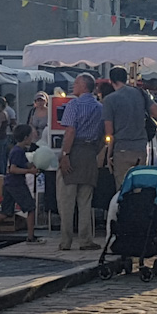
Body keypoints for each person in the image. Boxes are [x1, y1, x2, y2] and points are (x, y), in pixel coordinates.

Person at [57, 73, 103, 251]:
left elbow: (70, 131)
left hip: (74, 150)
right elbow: (101, 135)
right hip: (90, 153)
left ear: (84, 86)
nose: (73, 86)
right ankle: (85, 239)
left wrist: (65, 154)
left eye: (76, 83)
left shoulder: (74, 104)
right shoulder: (100, 107)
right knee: (85, 200)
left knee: (66, 199)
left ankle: (66, 240)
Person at [102, 67, 157, 185]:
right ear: (125, 79)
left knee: (123, 189)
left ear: (111, 81)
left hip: (121, 149)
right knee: (139, 187)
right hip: (140, 148)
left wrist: (109, 155)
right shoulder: (140, 93)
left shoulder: (109, 100)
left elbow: (109, 132)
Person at [0, 123, 40, 243]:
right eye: (30, 136)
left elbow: (25, 164)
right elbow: (13, 169)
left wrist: (34, 166)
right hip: (16, 184)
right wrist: (29, 171)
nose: (32, 138)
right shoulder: (18, 151)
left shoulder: (19, 150)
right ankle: (30, 236)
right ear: (25, 138)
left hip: (8, 184)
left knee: (5, 212)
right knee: (31, 208)